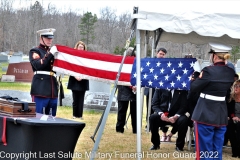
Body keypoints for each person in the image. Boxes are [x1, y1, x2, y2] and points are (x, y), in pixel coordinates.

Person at [190, 42, 235, 159]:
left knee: (204, 150)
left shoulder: (208, 71)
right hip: (221, 114)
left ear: (214, 56)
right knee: (217, 149)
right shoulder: (230, 72)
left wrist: (195, 78)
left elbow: (194, 88)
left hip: (205, 113)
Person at [29, 28, 58, 116]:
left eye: (51, 38)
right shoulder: (35, 51)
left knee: (52, 117)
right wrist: (50, 54)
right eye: (47, 38)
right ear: (41, 38)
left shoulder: (53, 52)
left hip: (53, 89)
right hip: (40, 89)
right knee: (38, 116)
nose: (50, 40)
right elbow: (39, 65)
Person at [116, 47, 137, 134]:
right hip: (123, 89)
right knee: (122, 110)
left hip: (134, 90)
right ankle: (119, 128)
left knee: (134, 111)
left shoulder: (135, 63)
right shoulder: (121, 64)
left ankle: (135, 129)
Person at [67, 41, 89, 119]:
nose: (81, 48)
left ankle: (80, 115)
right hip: (74, 79)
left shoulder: (86, 57)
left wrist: (82, 76)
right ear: (76, 47)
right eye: (79, 47)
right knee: (75, 99)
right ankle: (74, 115)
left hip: (83, 79)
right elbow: (70, 67)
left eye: (82, 47)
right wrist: (75, 76)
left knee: (81, 99)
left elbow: (87, 68)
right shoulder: (72, 57)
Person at [227, 79, 240, 158]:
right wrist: (233, 117)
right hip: (233, 119)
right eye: (235, 86)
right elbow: (229, 111)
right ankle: (235, 151)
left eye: (238, 86)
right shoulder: (231, 99)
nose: (236, 88)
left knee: (239, 126)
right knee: (229, 125)